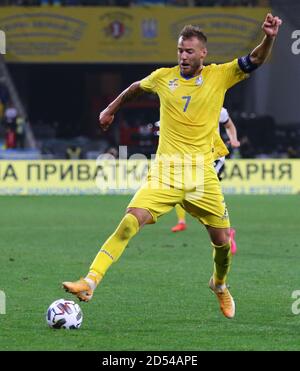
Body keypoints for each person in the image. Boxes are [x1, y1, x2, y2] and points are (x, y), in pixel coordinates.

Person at [63, 14, 282, 319]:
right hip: (165, 172)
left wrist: (269, 37)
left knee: (221, 242)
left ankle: (219, 285)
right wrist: (110, 109)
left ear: (203, 53)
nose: (182, 56)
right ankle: (90, 281)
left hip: (203, 175)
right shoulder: (164, 77)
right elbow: (136, 87)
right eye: (180, 50)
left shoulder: (220, 75)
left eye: (189, 51)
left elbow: (255, 59)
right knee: (129, 222)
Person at [171, 107, 239, 255]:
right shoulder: (188, 106)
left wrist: (233, 139)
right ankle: (183, 222)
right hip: (193, 156)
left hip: (213, 158)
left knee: (202, 192)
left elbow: (229, 125)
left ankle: (227, 233)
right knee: (184, 189)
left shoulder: (220, 110)